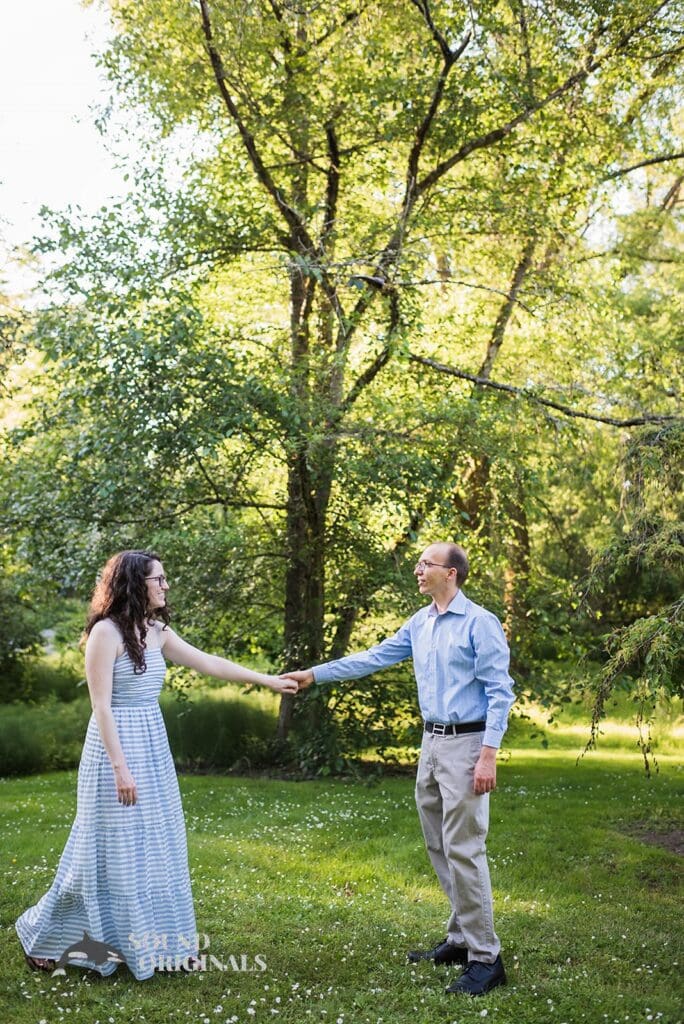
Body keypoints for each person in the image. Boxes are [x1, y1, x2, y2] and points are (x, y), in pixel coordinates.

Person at [16, 549, 298, 979]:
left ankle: (165, 946)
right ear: (134, 584)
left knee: (155, 849)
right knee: (101, 853)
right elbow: (102, 708)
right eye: (158, 579)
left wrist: (266, 680)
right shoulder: (105, 634)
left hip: (151, 745)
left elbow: (210, 663)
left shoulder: (157, 630)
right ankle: (44, 936)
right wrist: (119, 768)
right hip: (115, 749)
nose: (166, 586)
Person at [283, 542, 514, 997]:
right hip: (431, 743)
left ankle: (486, 958)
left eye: (425, 564)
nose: (417, 569)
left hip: (468, 744)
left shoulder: (480, 623)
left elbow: (500, 692)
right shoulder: (420, 622)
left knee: (464, 848)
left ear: (451, 573)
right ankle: (460, 937)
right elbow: (372, 657)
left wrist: (488, 754)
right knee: (438, 845)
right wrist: (314, 674)